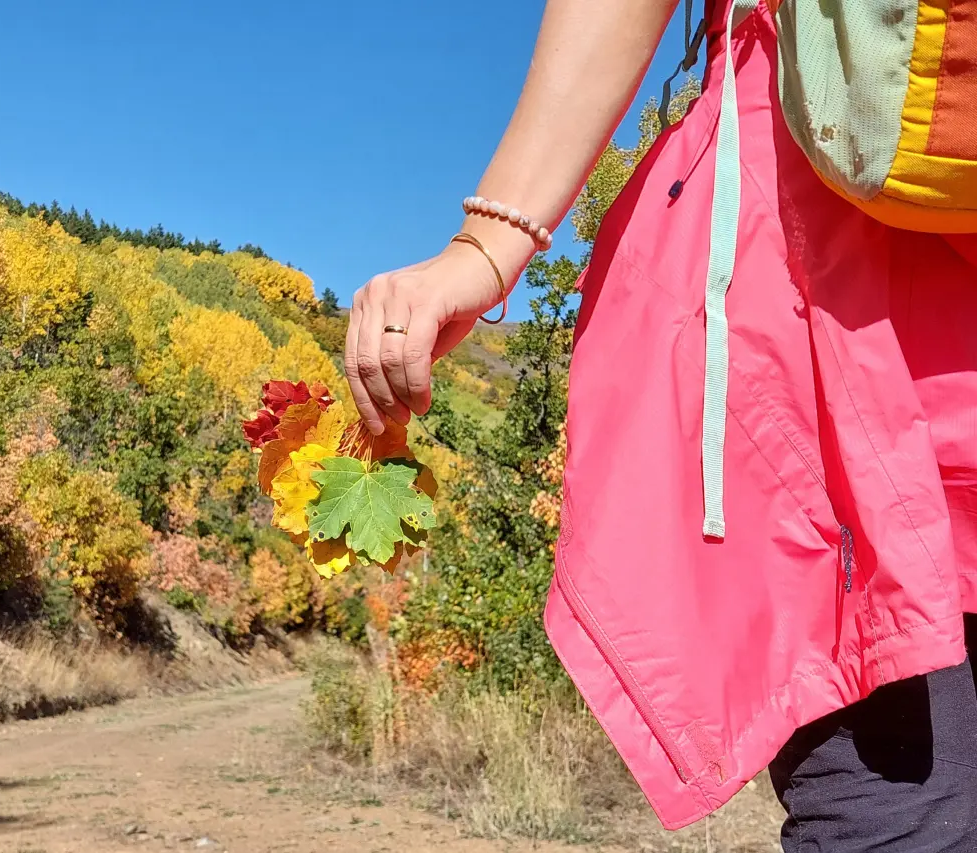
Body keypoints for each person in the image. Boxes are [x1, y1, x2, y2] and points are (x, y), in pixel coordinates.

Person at [343, 0, 977, 849]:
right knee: (899, 792)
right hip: (836, 304)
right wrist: (487, 247)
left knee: (901, 810)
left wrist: (486, 249)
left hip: (812, 280)